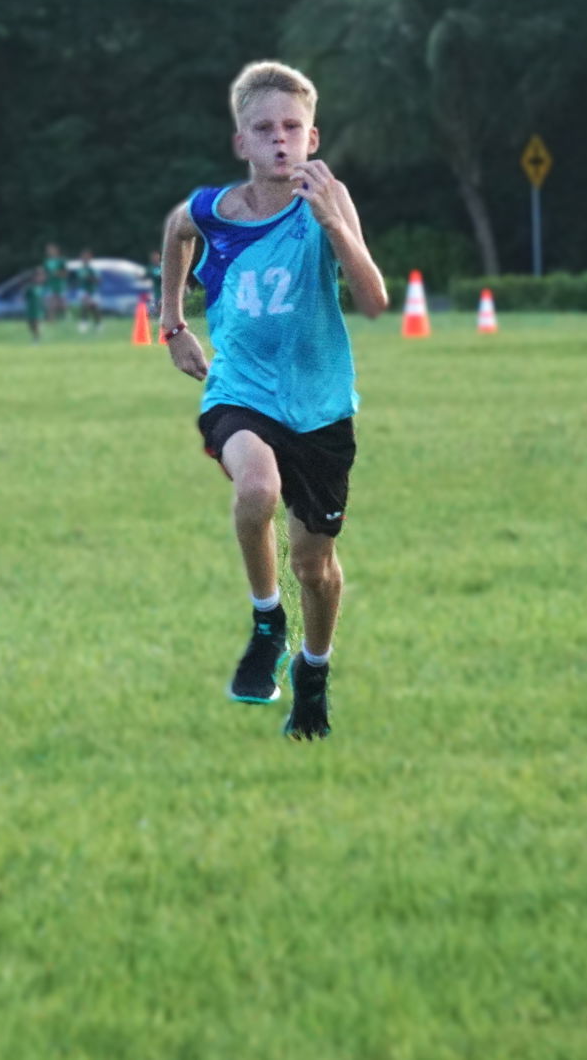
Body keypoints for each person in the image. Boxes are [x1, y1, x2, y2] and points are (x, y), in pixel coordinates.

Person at [158, 61, 388, 740]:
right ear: (242, 143)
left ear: (312, 138)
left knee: (313, 565)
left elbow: (374, 300)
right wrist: (172, 325)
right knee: (256, 489)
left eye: (292, 128)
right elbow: (176, 234)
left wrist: (334, 225)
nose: (280, 141)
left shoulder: (328, 199)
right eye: (265, 129)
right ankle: (266, 623)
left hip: (319, 409)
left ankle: (312, 672)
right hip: (241, 391)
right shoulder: (212, 211)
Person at [72, 247, 101, 333]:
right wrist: (91, 278)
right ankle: (83, 324)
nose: (85, 259)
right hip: (83, 290)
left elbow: (98, 280)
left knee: (94, 308)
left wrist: (92, 278)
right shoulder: (80, 269)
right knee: (85, 305)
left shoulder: (94, 269)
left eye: (86, 257)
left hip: (93, 291)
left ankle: (98, 324)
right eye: (83, 257)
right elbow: (84, 278)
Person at [42, 242, 67, 321]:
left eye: (50, 250)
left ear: (56, 250)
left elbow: (65, 273)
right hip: (50, 286)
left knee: (61, 306)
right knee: (50, 305)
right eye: (48, 250)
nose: (49, 251)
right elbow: (45, 274)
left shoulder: (61, 261)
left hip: (60, 286)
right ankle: (50, 321)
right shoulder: (46, 262)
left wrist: (56, 273)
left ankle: (63, 318)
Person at [24, 264, 47, 344]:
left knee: (37, 324)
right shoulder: (30, 288)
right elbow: (26, 297)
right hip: (31, 309)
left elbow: (44, 300)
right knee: (31, 325)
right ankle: (35, 337)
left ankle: (37, 339)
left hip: (39, 310)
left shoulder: (44, 288)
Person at [147, 248, 164, 318]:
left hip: (163, 292)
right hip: (154, 292)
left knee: (161, 307)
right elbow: (156, 276)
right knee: (153, 308)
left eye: (156, 256)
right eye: (154, 257)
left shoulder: (162, 266)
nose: (155, 258)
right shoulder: (151, 268)